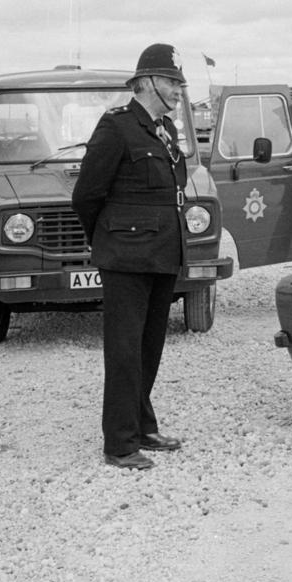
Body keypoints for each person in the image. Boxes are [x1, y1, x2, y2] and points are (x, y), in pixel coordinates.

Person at [71, 43, 190, 470]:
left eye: (179, 83)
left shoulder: (165, 130)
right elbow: (86, 194)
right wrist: (107, 242)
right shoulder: (116, 127)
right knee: (124, 350)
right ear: (149, 83)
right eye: (173, 82)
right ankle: (119, 444)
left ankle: (142, 425)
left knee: (149, 347)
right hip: (125, 258)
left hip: (160, 255)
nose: (179, 90)